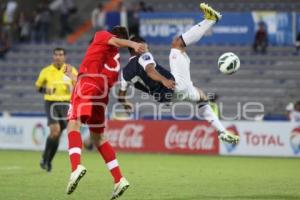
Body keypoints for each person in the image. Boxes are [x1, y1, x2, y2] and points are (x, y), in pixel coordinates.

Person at [118, 3, 239, 144]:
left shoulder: (124, 73)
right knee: (177, 44)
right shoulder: (144, 56)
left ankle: (222, 131)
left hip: (168, 97)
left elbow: (121, 96)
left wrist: (126, 105)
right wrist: (163, 80)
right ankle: (211, 19)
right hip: (172, 85)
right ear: (138, 47)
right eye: (145, 45)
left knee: (202, 98)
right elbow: (150, 70)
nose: (147, 47)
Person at [65, 26, 146, 199]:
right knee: (98, 137)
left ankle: (75, 167)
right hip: (102, 94)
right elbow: (97, 82)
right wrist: (74, 78)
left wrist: (132, 43)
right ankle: (119, 179)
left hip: (88, 83)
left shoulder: (103, 35)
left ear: (113, 36)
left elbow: (88, 81)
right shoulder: (113, 61)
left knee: (74, 123)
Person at [35, 48, 78, 172]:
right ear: (53, 56)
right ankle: (44, 157)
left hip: (65, 104)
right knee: (55, 131)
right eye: (56, 55)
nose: (58, 57)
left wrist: (73, 88)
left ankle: (48, 161)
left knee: (57, 135)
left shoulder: (71, 70)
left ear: (65, 57)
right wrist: (45, 90)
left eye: (61, 55)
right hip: (51, 102)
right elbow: (37, 87)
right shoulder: (46, 71)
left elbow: (78, 85)